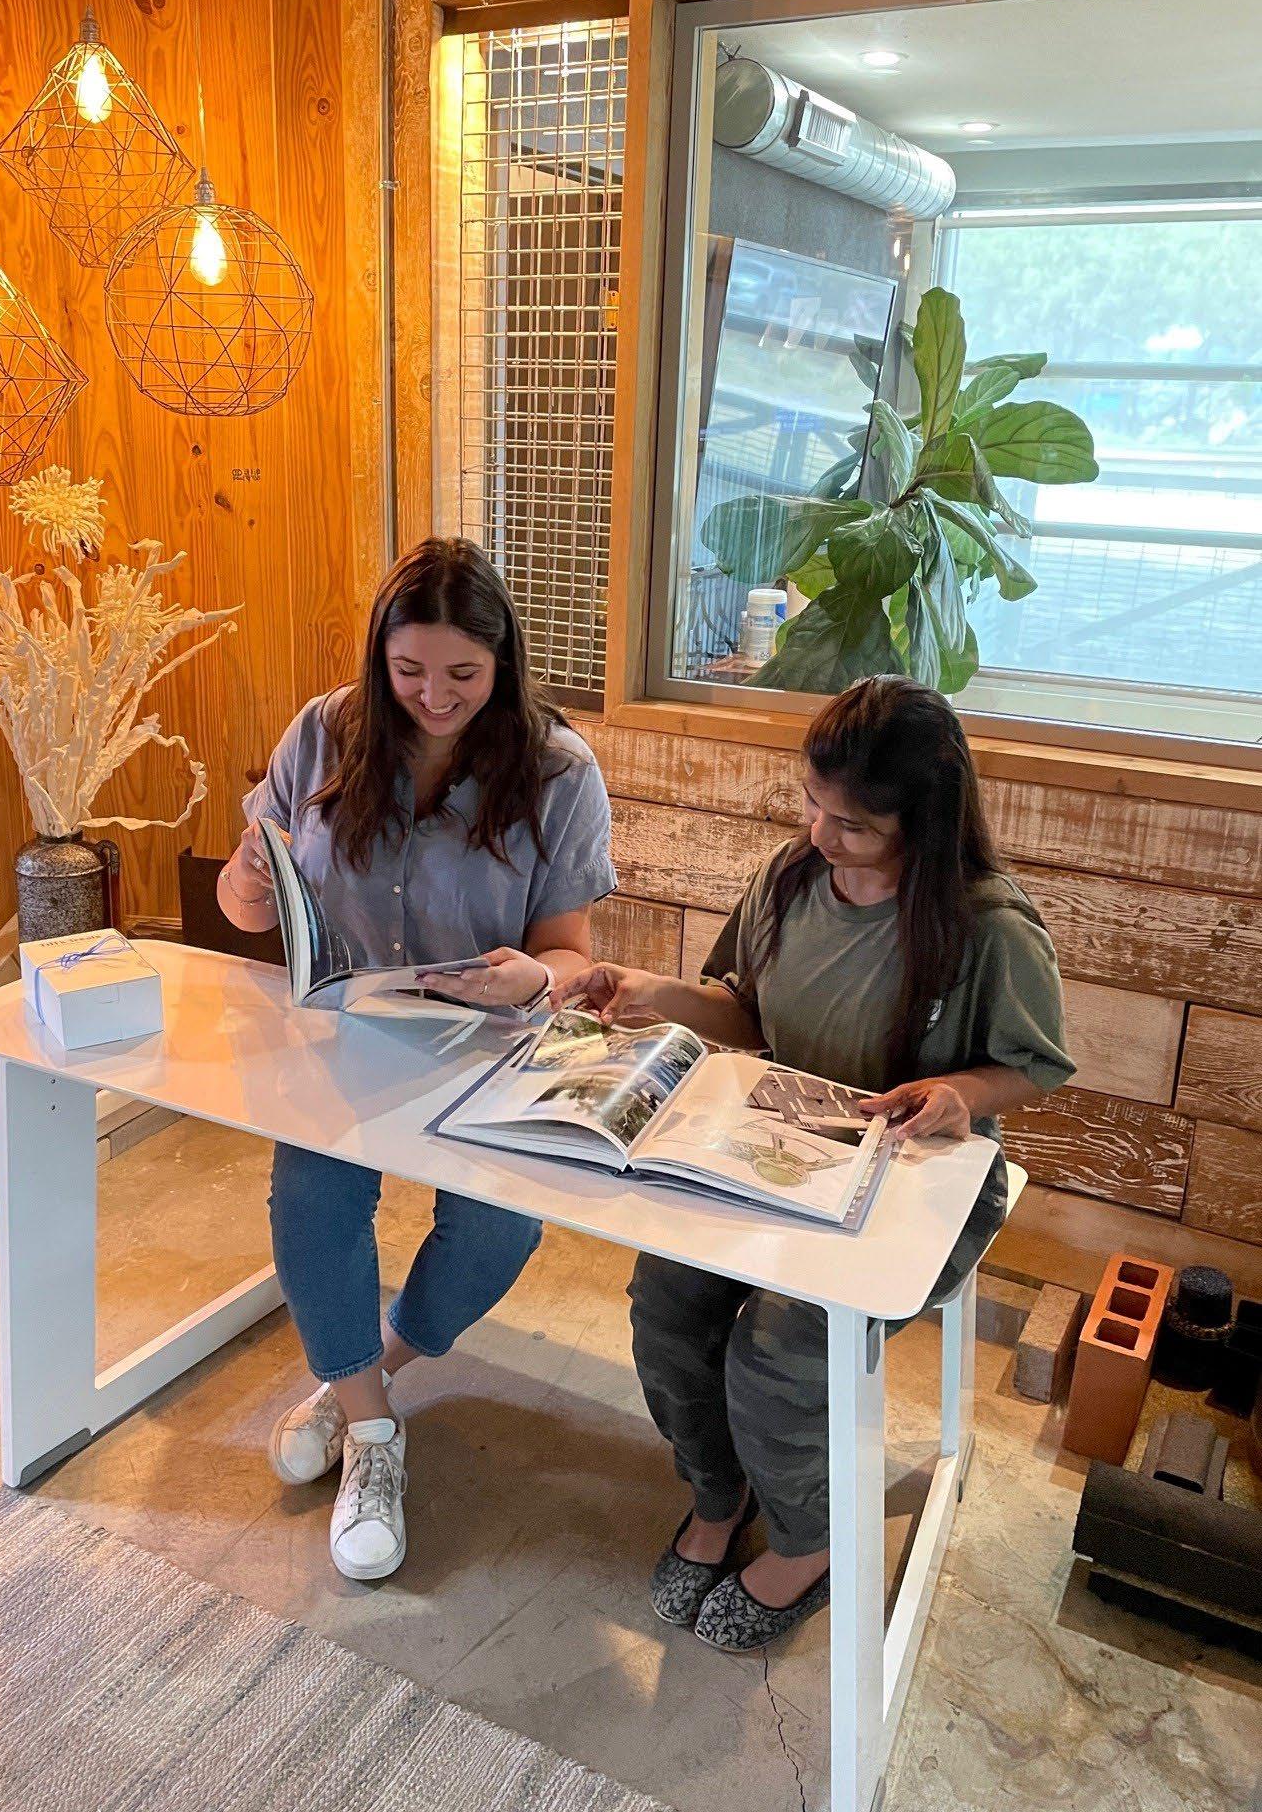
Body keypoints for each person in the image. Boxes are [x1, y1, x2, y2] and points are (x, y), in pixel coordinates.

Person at [561, 676, 1073, 1652]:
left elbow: (1034, 1067)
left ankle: (811, 1540)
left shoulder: (987, 928)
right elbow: (745, 1016)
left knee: (777, 1353)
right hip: (778, 1145)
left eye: (854, 825)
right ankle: (720, 1492)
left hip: (915, 1178)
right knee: (667, 1307)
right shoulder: (792, 879)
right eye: (812, 805)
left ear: (923, 821)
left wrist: (961, 1093)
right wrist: (655, 993)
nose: (820, 834)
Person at [217, 539, 615, 1582]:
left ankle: (361, 1376)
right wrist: (252, 874)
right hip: (345, 1030)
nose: (435, 697)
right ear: (378, 658)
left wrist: (529, 980)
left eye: (463, 674)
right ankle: (373, 1433)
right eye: (409, 671)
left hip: (485, 1042)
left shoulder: (559, 773)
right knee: (313, 1197)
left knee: (497, 1230)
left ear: (503, 662)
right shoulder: (324, 733)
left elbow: (569, 957)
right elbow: (243, 907)